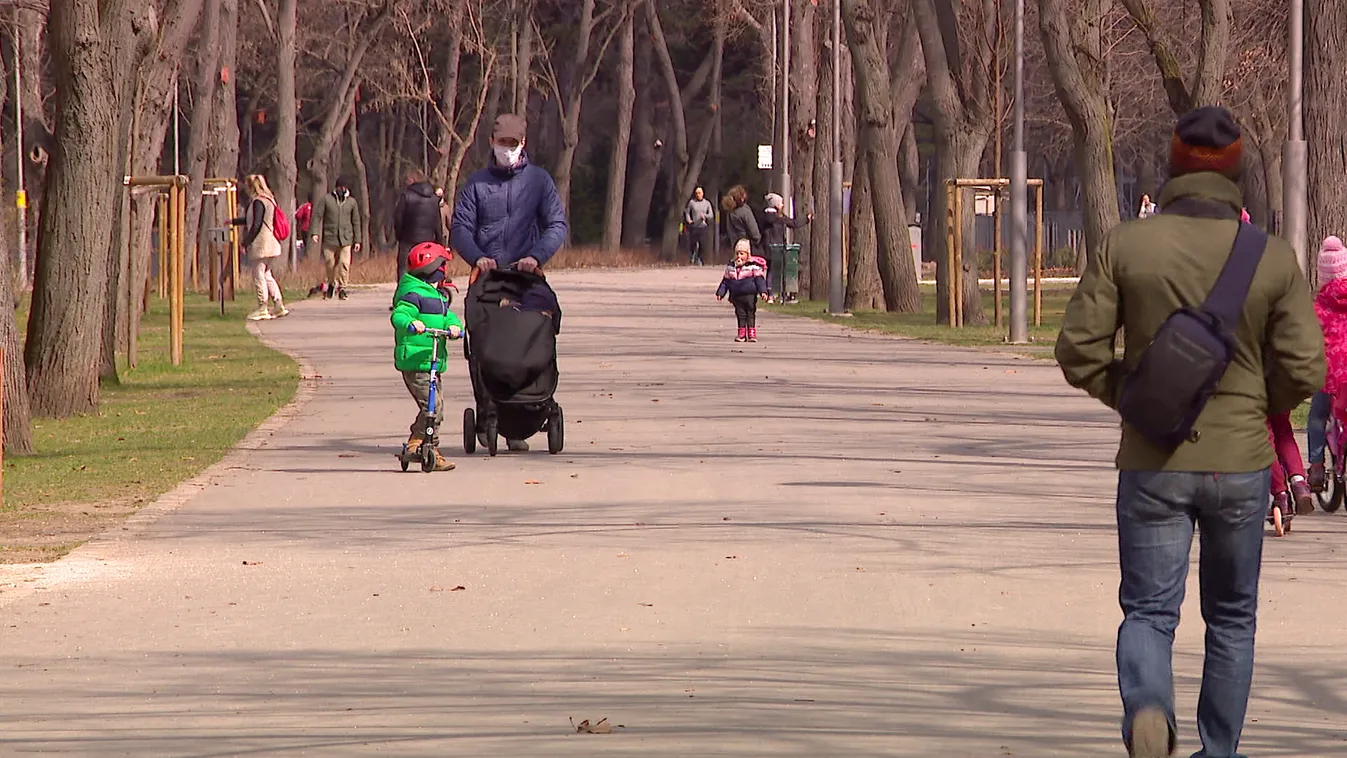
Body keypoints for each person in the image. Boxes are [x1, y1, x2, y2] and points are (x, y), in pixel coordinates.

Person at [1055, 106, 1324, 758]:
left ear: (1173, 167)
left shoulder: (1126, 244)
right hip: (1240, 463)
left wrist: (1136, 399)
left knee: (1148, 612)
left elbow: (1077, 350)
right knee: (1230, 619)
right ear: (1235, 173)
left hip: (1153, 458)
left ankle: (1148, 709)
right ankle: (1217, 750)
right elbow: (1305, 367)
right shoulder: (1272, 258)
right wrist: (1261, 405)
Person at [451, 113, 568, 453]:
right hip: (488, 277)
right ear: (491, 142)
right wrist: (476, 257)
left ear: (523, 144)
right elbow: (460, 227)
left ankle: (529, 407)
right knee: (487, 347)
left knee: (530, 340)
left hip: (525, 278)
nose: (507, 149)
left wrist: (537, 256)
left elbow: (556, 224)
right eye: (502, 143)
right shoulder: (476, 184)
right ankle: (491, 411)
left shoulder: (539, 181)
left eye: (512, 144)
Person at [391, 242, 464, 472]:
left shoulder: (438, 297)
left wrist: (454, 328)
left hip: (431, 361)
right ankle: (427, 446)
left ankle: (418, 444)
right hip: (416, 360)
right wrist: (411, 323)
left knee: (435, 407)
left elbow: (448, 317)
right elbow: (399, 314)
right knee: (433, 407)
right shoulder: (413, 294)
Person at [231, 174, 290, 322]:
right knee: (267, 274)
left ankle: (262, 306)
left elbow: (256, 224)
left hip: (262, 244)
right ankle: (278, 304)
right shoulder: (269, 200)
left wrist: (245, 242)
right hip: (272, 243)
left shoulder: (258, 202)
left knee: (258, 275)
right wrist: (233, 221)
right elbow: (254, 219)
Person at [310, 176, 362, 300]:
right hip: (329, 238)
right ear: (336, 187)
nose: (342, 189)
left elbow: (356, 221)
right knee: (330, 262)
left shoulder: (351, 202)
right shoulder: (327, 200)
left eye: (344, 187)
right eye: (340, 187)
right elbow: (317, 216)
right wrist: (315, 232)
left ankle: (342, 288)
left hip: (346, 238)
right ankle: (332, 283)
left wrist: (357, 240)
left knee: (344, 263)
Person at [394, 170, 445, 282]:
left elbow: (398, 218)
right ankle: (424, 291)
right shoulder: (433, 198)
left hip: (408, 239)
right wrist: (439, 241)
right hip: (428, 240)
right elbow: (437, 222)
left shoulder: (406, 195)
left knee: (404, 267)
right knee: (426, 268)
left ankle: (404, 291)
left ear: (412, 180)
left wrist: (399, 235)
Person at [761, 193, 812, 303]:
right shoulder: (778, 218)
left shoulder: (764, 216)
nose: (782, 204)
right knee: (779, 270)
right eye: (780, 202)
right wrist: (806, 219)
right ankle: (779, 293)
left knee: (770, 270)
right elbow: (793, 223)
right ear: (775, 205)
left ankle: (770, 294)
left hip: (767, 247)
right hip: (777, 247)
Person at [716, 239, 768, 343]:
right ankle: (742, 333)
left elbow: (759, 280)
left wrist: (763, 291)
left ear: (747, 254)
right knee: (740, 314)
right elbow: (725, 281)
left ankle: (751, 332)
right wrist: (721, 293)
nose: (739, 256)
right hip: (737, 295)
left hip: (750, 295)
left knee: (750, 313)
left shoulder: (753, 266)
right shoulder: (731, 267)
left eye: (742, 254)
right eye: (737, 253)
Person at [722, 185, 761, 260]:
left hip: (735, 247)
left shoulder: (730, 212)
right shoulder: (745, 212)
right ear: (742, 198)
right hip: (747, 248)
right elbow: (754, 233)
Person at [684, 187, 714, 266]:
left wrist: (705, 216)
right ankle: (692, 256)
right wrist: (689, 220)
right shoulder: (692, 202)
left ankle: (700, 259)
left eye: (699, 193)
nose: (698, 195)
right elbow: (687, 212)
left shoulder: (707, 203)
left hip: (703, 226)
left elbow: (711, 215)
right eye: (696, 193)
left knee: (703, 244)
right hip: (694, 226)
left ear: (703, 193)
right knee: (693, 243)